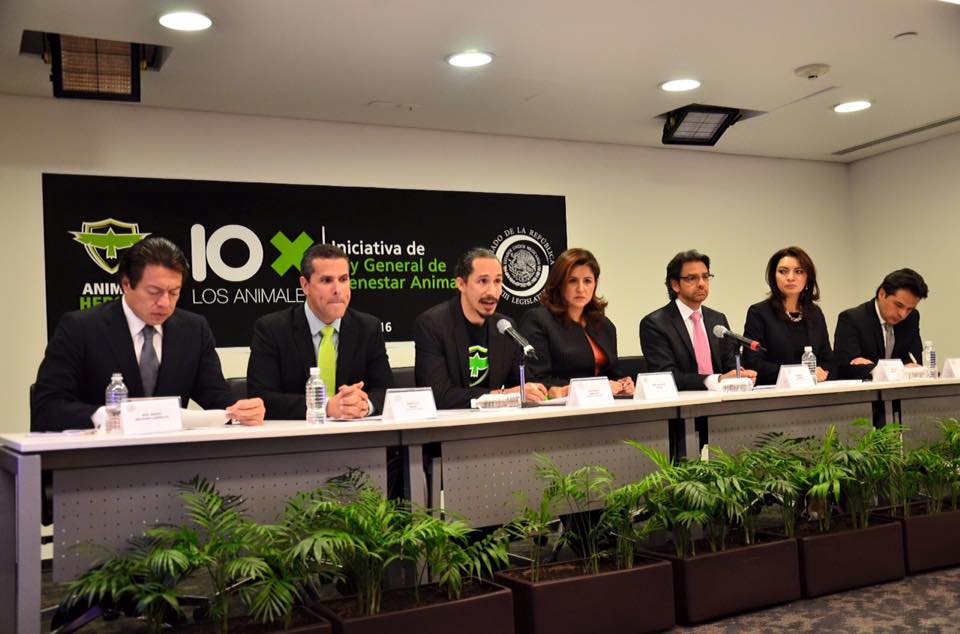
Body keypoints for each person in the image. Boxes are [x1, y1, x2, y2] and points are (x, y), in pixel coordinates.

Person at [31, 236, 265, 432]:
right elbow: (48, 407)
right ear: (126, 284)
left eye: (174, 293)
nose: (165, 303)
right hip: (98, 457)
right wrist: (111, 417)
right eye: (154, 292)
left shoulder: (194, 329)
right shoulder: (81, 328)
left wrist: (241, 410)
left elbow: (215, 396)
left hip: (173, 458)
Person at [247, 243, 392, 419]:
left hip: (355, 433)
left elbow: (386, 391)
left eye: (343, 279)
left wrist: (364, 405)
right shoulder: (272, 329)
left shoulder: (368, 328)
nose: (337, 290)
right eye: (326, 280)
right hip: (297, 434)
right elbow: (261, 398)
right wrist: (326, 406)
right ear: (305, 285)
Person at [414, 247, 547, 408]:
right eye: (483, 281)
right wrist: (502, 395)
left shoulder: (506, 327)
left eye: (497, 281)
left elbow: (520, 385)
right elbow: (436, 395)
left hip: (497, 421)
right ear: (461, 284)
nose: (492, 291)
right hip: (451, 421)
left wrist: (542, 392)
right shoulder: (433, 325)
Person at [519, 248, 634, 398]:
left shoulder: (604, 325)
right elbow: (536, 379)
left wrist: (623, 384)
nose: (581, 289)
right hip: (560, 408)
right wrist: (597, 387)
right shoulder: (538, 320)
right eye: (572, 281)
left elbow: (613, 373)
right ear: (559, 283)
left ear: (595, 284)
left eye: (587, 281)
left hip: (603, 405)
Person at [640, 250, 755, 391]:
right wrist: (715, 380)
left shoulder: (717, 319)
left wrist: (741, 376)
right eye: (692, 278)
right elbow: (665, 375)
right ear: (675, 284)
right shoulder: (655, 324)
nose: (701, 283)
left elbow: (729, 365)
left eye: (705, 277)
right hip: (682, 401)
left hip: (721, 398)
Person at [742, 246, 834, 385]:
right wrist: (800, 374)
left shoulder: (815, 313)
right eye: (783, 271)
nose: (790, 278)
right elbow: (753, 363)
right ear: (774, 277)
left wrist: (823, 371)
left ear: (807, 277)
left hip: (814, 390)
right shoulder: (759, 313)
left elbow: (828, 360)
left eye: (798, 271)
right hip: (775, 391)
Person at [834, 268, 929, 380]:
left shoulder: (912, 318)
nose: (902, 314)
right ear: (882, 294)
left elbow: (914, 361)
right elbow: (846, 368)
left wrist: (877, 368)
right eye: (899, 305)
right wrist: (900, 369)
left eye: (909, 309)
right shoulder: (852, 319)